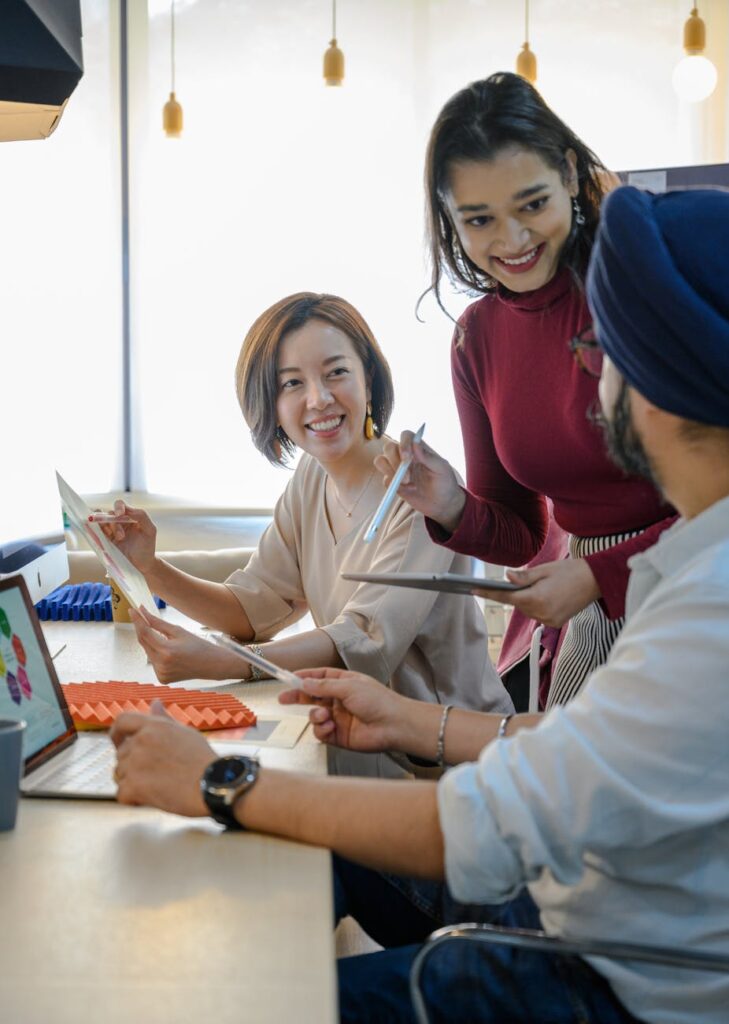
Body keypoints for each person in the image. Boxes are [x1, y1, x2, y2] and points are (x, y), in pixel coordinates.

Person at [111, 185, 729, 1024]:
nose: (585, 373)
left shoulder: (706, 608)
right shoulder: (691, 571)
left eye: (602, 349)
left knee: (252, 998)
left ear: (660, 380)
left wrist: (222, 779)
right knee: (262, 898)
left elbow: (488, 822)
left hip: (579, 967)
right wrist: (404, 721)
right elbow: (588, 748)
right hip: (549, 907)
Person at [105, 292, 511, 776]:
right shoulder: (310, 477)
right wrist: (148, 566)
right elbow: (253, 610)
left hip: (458, 760)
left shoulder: (416, 488)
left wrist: (222, 662)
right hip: (368, 745)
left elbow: (364, 639)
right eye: (292, 383)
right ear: (270, 404)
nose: (318, 398)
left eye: (336, 372)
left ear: (369, 377)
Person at [376, 72, 675, 708]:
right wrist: (450, 502)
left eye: (532, 205)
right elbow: (516, 529)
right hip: (586, 601)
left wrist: (599, 575)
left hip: (692, 584)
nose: (511, 242)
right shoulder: (476, 338)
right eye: (479, 220)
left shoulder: (642, 285)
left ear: (570, 175)